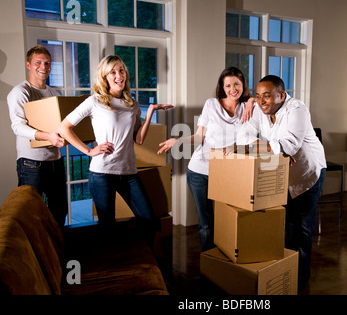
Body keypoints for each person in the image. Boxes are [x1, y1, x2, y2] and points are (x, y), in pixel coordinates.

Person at [57, 55, 173, 244]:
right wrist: (88, 151)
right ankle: (114, 268)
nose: (119, 75)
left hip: (129, 173)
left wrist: (150, 111)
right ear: (105, 77)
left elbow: (139, 139)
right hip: (102, 174)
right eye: (113, 72)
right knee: (107, 228)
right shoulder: (95, 101)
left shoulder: (132, 104)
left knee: (149, 222)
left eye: (121, 70)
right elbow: (63, 128)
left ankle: (143, 263)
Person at [236, 75, 327, 293]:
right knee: (284, 227)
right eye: (258, 96)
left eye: (266, 96)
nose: (261, 101)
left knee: (302, 230)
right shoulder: (260, 109)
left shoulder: (297, 110)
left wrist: (275, 149)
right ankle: (284, 274)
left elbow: (289, 146)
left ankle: (300, 281)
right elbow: (242, 136)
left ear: (281, 95)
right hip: (281, 175)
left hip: (307, 175)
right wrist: (272, 148)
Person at [158, 67, 254, 251]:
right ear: (222, 87)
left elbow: (266, 100)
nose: (232, 89)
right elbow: (199, 137)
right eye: (228, 85)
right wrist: (178, 140)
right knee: (206, 223)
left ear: (243, 85)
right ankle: (209, 261)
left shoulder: (247, 108)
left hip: (227, 172)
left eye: (236, 84)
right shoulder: (211, 104)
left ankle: (225, 262)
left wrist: (251, 100)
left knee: (228, 220)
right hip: (200, 172)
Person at [7, 45, 68, 228]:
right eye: (38, 62)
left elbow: (61, 126)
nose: (43, 67)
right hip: (31, 163)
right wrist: (48, 136)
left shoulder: (54, 94)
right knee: (30, 213)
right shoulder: (20, 92)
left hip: (55, 161)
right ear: (28, 64)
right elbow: (18, 127)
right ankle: (34, 255)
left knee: (59, 210)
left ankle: (54, 252)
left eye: (47, 63)